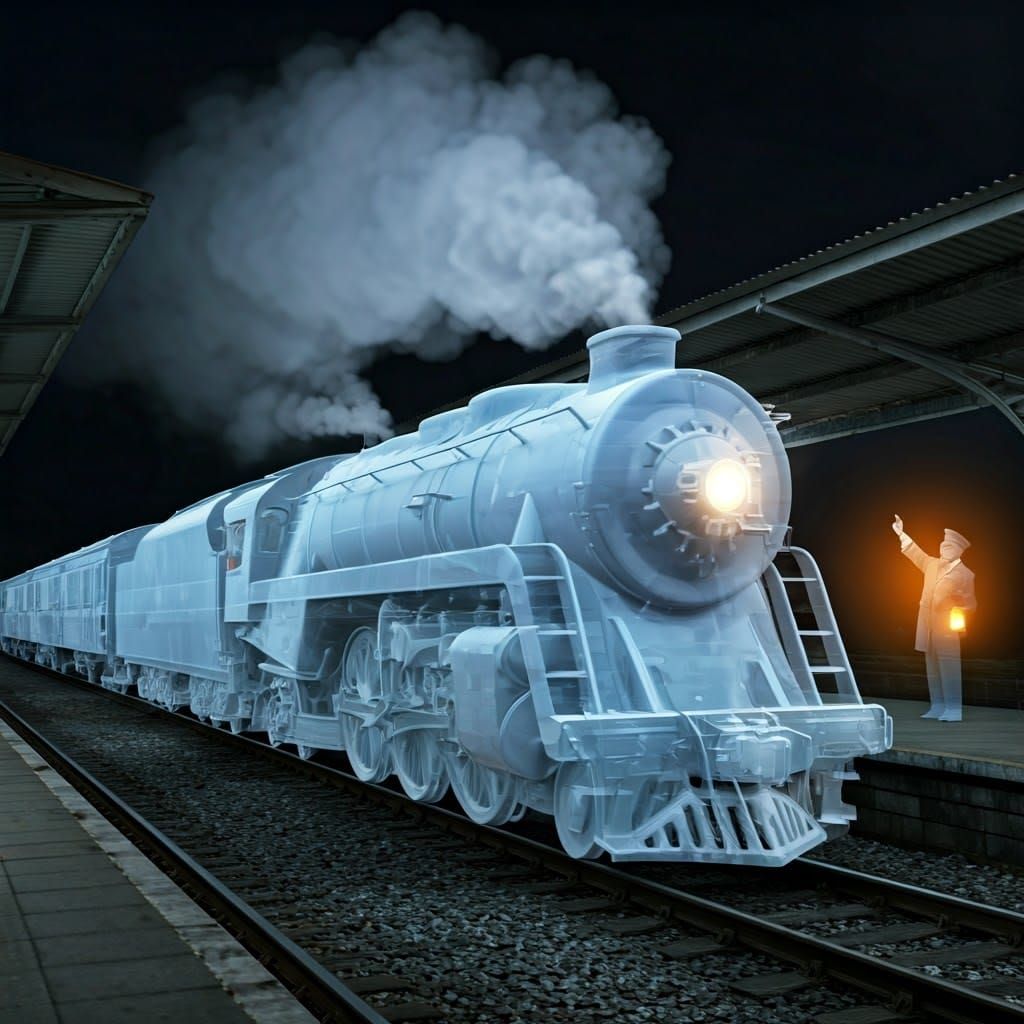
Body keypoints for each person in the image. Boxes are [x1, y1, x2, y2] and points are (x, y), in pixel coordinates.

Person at [891, 515, 977, 721]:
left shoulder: (966, 575)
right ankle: (937, 705)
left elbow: (972, 604)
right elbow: (916, 554)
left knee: (949, 667)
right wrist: (901, 534)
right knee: (932, 667)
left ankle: (954, 708)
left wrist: (960, 606)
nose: (944, 548)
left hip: (947, 627)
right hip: (927, 626)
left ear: (959, 550)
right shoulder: (932, 565)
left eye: (949, 545)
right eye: (943, 544)